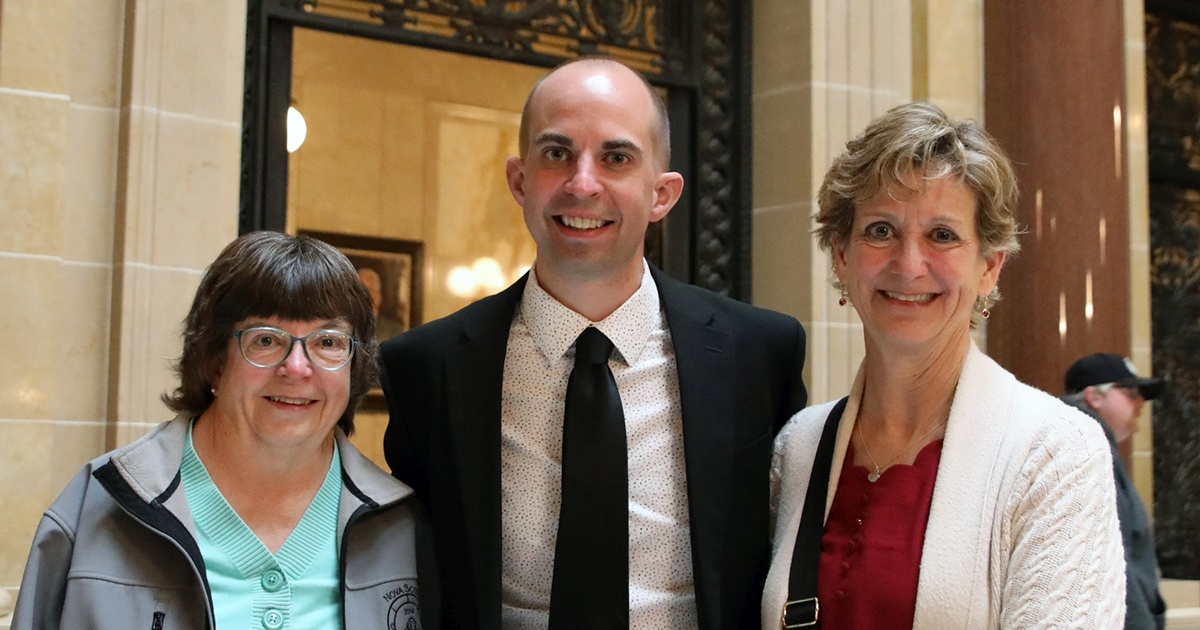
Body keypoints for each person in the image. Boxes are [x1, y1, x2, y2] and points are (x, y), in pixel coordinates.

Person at [379, 58, 808, 629]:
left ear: (662, 193)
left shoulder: (758, 354)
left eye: (616, 158)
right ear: (519, 180)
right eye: (556, 153)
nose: (583, 184)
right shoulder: (425, 368)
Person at [762, 102, 1127, 628]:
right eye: (881, 231)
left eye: (943, 235)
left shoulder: (1054, 454)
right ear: (840, 254)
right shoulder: (798, 447)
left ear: (989, 267)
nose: (909, 265)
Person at [12, 232, 431, 628]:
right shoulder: (96, 510)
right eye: (265, 340)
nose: (297, 368)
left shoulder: (400, 526)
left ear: (355, 367)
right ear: (214, 359)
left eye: (328, 342)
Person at [1063, 353, 1167, 630]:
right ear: (1094, 397)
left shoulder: (1092, 445)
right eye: (1130, 392)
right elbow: (1110, 561)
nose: (1140, 403)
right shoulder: (1085, 450)